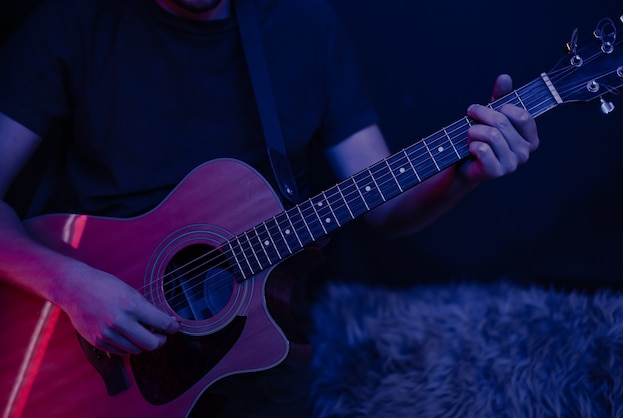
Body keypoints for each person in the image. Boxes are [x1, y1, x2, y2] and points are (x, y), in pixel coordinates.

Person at [0, 0, 539, 415]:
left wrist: (463, 177)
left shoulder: (304, 25)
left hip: (252, 347)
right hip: (78, 336)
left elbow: (386, 209)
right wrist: (71, 287)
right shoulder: (74, 21)